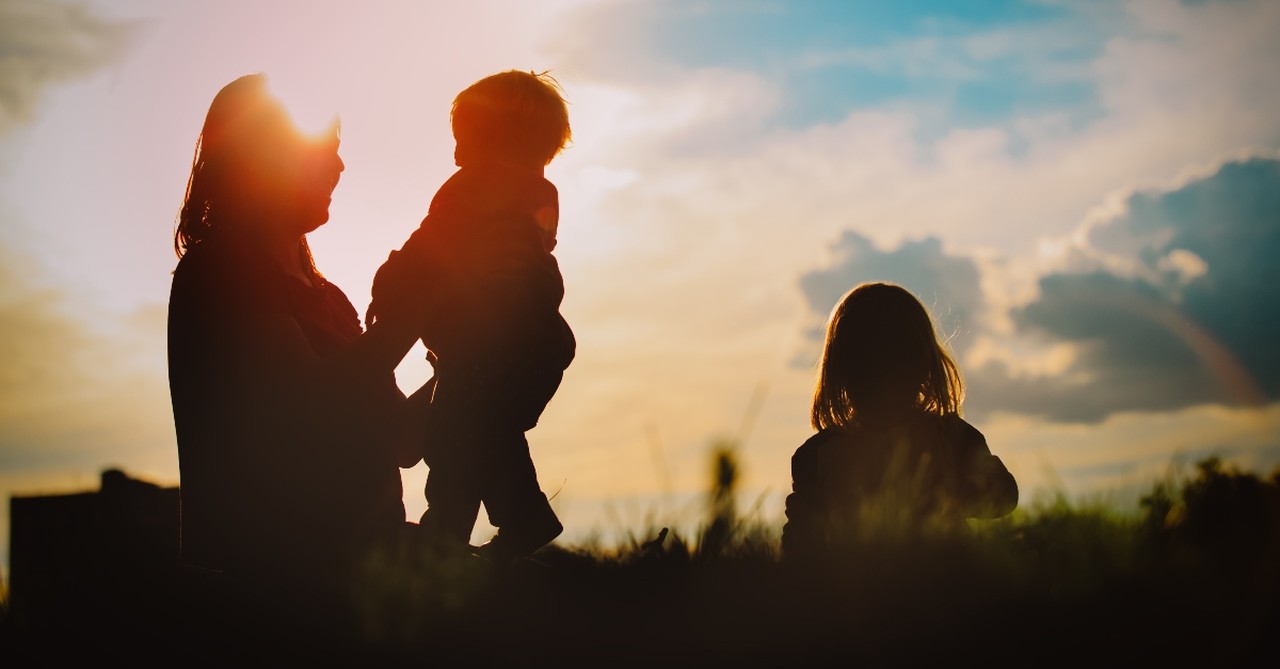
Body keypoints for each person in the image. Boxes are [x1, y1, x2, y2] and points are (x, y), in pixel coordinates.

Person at [166, 73, 432, 619]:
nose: (339, 166)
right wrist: (413, 315)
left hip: (364, 582)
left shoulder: (329, 298)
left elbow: (403, 441)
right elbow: (308, 408)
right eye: (324, 150)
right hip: (273, 596)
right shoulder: (223, 268)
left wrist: (463, 359)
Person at [367, 70, 574, 563]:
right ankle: (506, 520)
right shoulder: (538, 196)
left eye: (465, 141)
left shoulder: (474, 188)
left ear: (495, 139)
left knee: (456, 436)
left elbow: (429, 247)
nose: (457, 156)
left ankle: (456, 530)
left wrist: (389, 281)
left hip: (493, 348)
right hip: (534, 349)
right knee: (485, 434)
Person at [780, 282, 1018, 560]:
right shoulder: (816, 456)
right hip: (859, 591)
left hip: (948, 583)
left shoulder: (951, 437)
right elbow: (800, 542)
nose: (881, 379)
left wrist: (954, 496)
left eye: (894, 363)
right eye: (866, 366)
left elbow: (1003, 495)